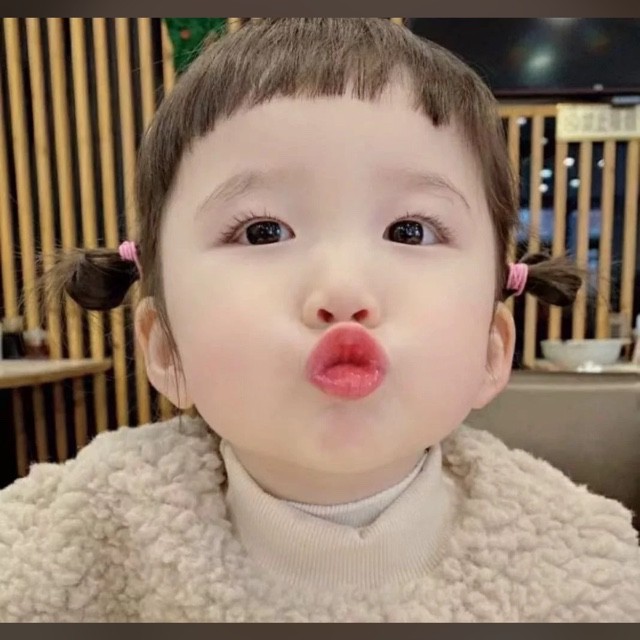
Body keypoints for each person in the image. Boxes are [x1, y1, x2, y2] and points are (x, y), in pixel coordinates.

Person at [0, 18, 638, 622]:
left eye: (410, 230)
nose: (342, 290)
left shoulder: (589, 575)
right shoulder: (52, 560)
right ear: (166, 349)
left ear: (492, 350)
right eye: (263, 231)